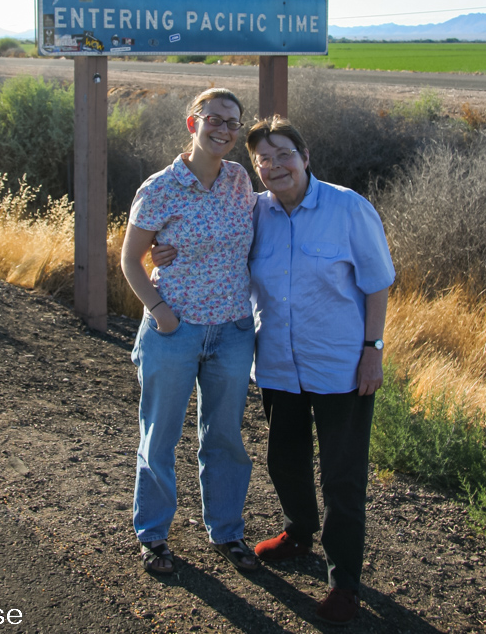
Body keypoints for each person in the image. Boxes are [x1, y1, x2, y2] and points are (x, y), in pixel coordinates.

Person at [245, 116, 395, 625]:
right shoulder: (257, 212)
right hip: (278, 365)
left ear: (305, 157)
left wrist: (373, 348)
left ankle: (344, 583)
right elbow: (219, 256)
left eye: (283, 154)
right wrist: (164, 249)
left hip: (342, 367)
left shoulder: (348, 207)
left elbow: (377, 284)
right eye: (263, 159)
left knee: (342, 479)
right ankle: (297, 531)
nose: (274, 166)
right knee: (283, 458)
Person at [120, 88, 259, 576]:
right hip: (174, 329)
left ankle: (227, 532)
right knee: (160, 436)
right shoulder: (160, 187)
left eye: (233, 123)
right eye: (214, 120)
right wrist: (162, 313)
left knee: (224, 437)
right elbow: (129, 261)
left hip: (233, 331)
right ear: (192, 123)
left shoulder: (240, 179)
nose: (224, 129)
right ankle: (153, 535)